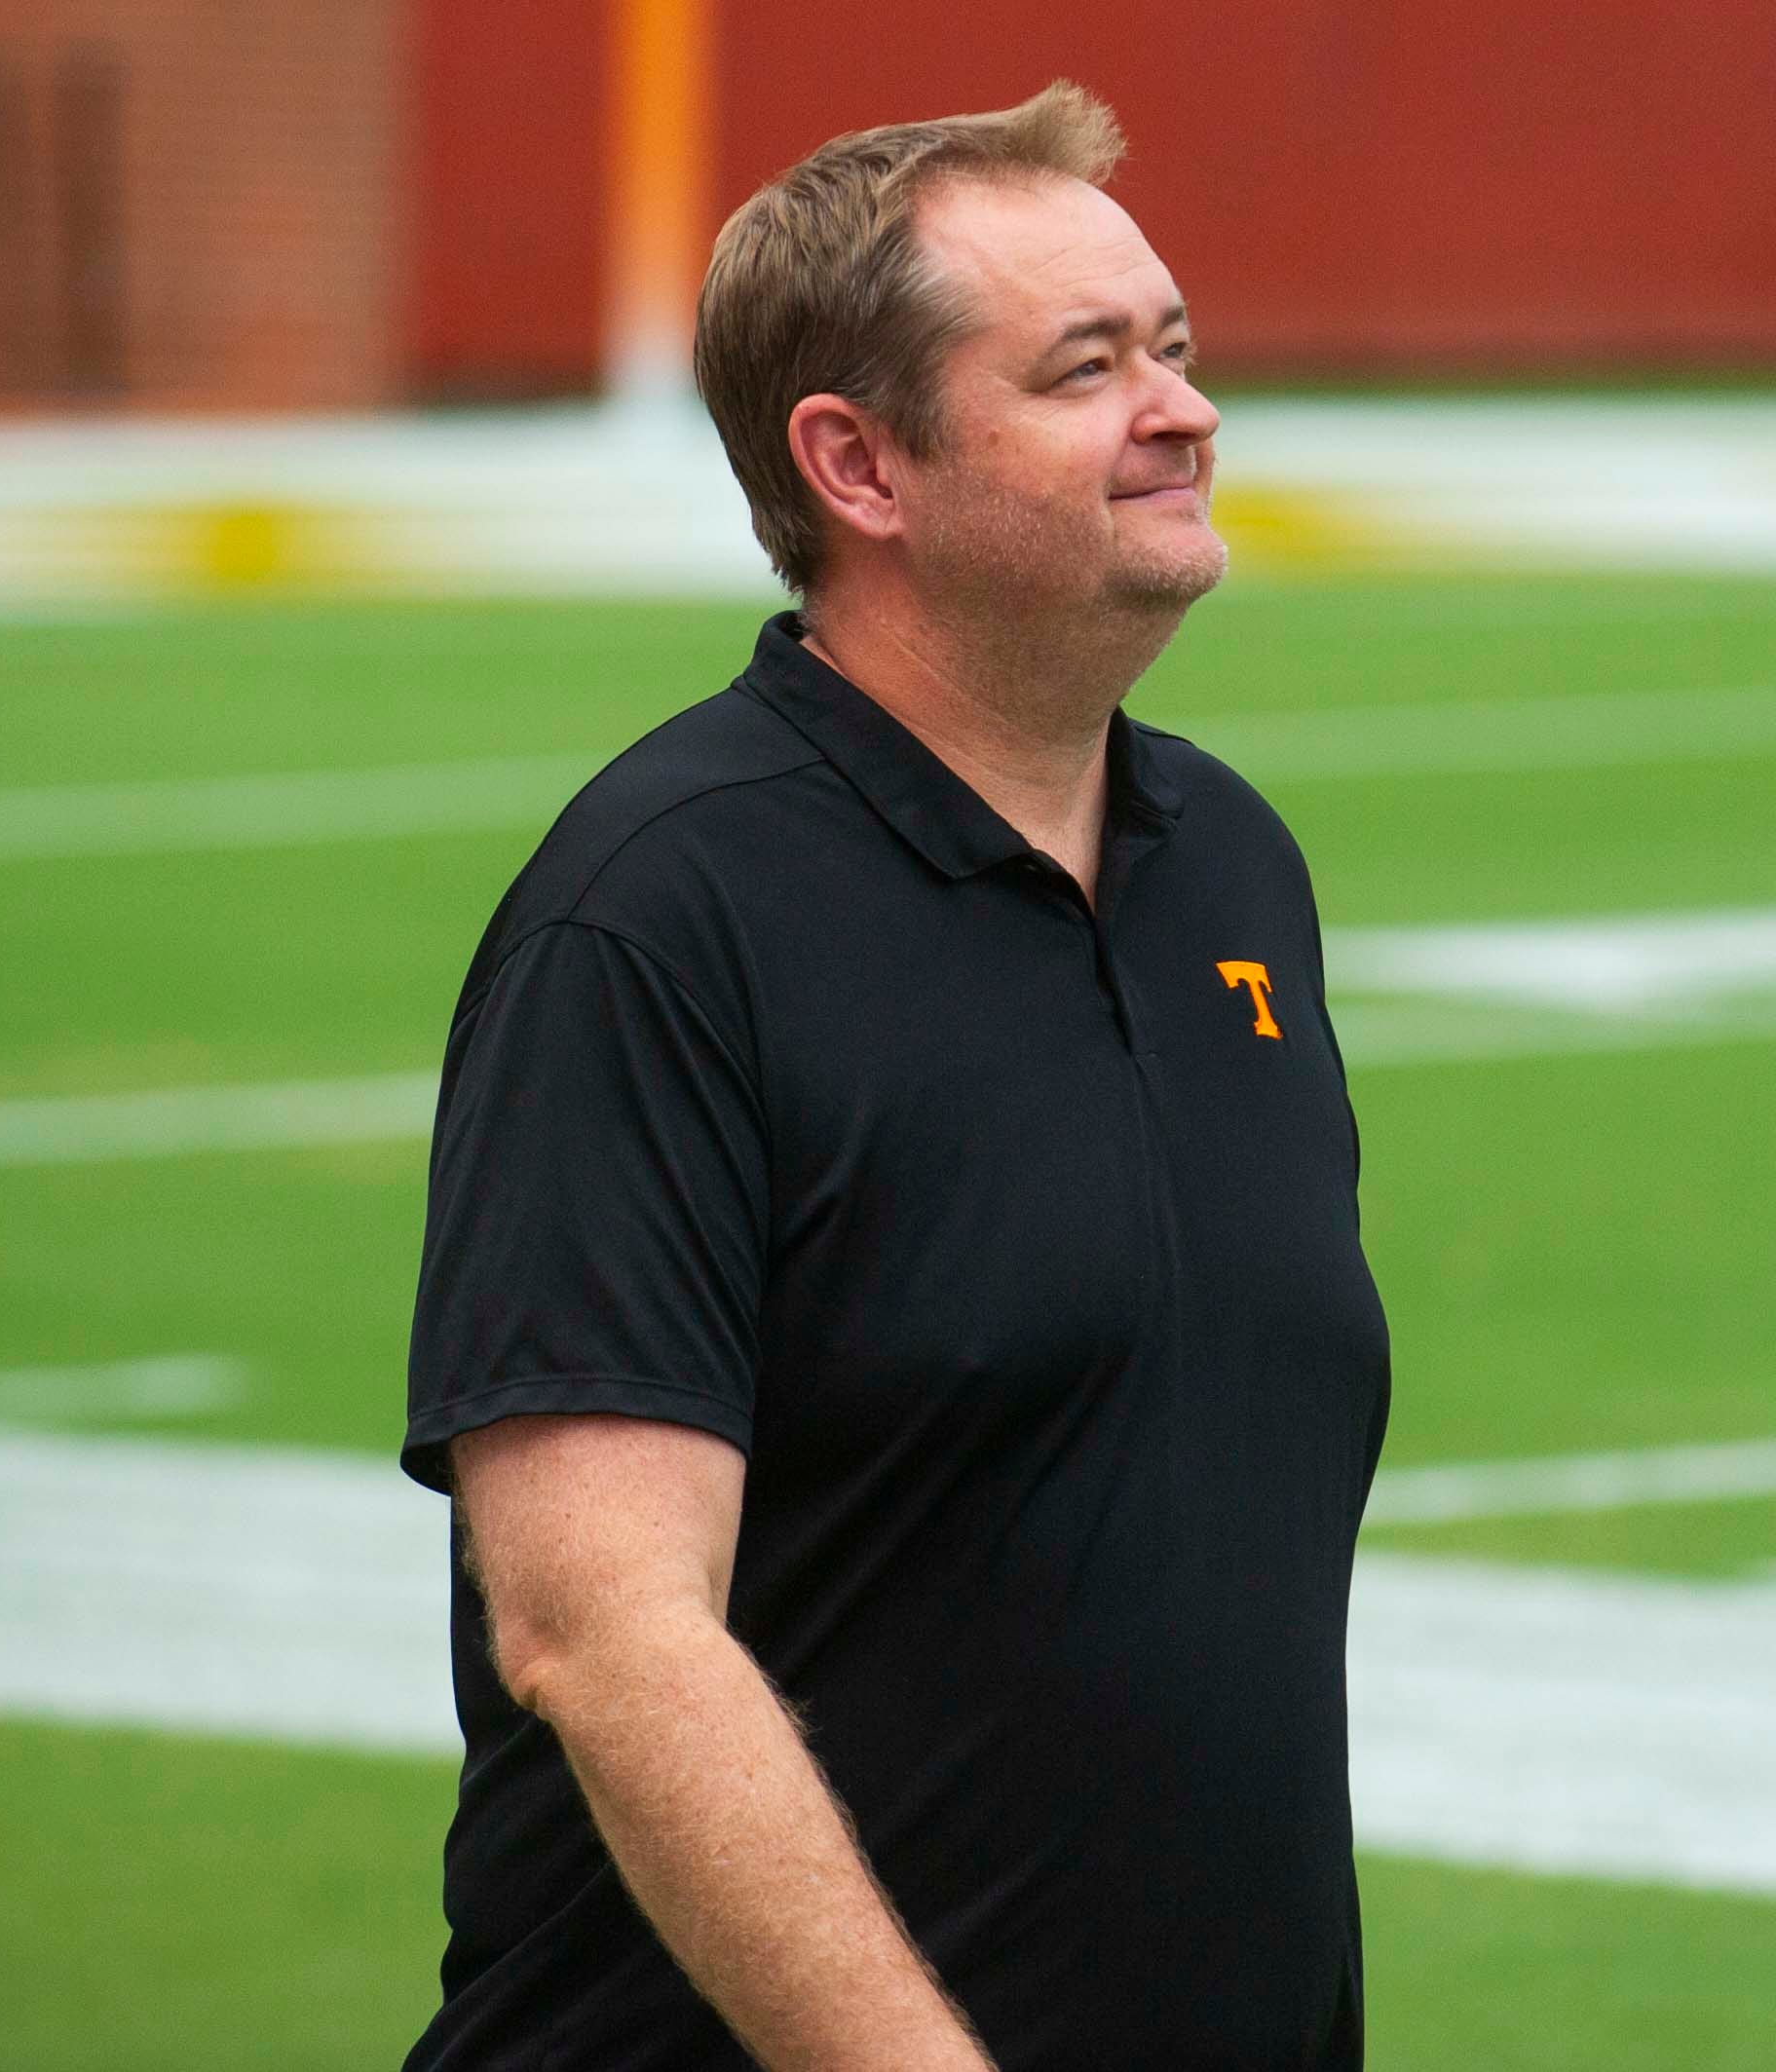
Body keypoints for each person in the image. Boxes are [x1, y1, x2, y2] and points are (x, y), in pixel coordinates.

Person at [402, 82, 1390, 2071]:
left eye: (1174, 349)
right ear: (858, 465)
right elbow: (598, 1629)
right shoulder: (657, 918)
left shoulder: (1233, 870)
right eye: (1083, 367)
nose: (1179, 409)